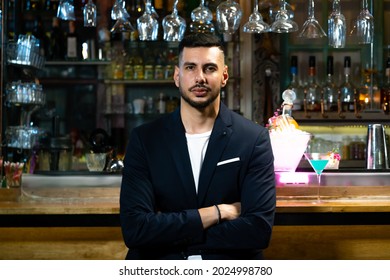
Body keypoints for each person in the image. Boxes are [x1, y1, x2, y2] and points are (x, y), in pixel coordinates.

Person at [120, 33, 276, 260]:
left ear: (224, 76)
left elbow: (257, 232)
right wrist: (218, 212)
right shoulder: (145, 139)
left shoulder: (253, 139)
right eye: (191, 67)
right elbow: (136, 230)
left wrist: (169, 230)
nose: (199, 77)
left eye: (210, 68)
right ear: (177, 76)